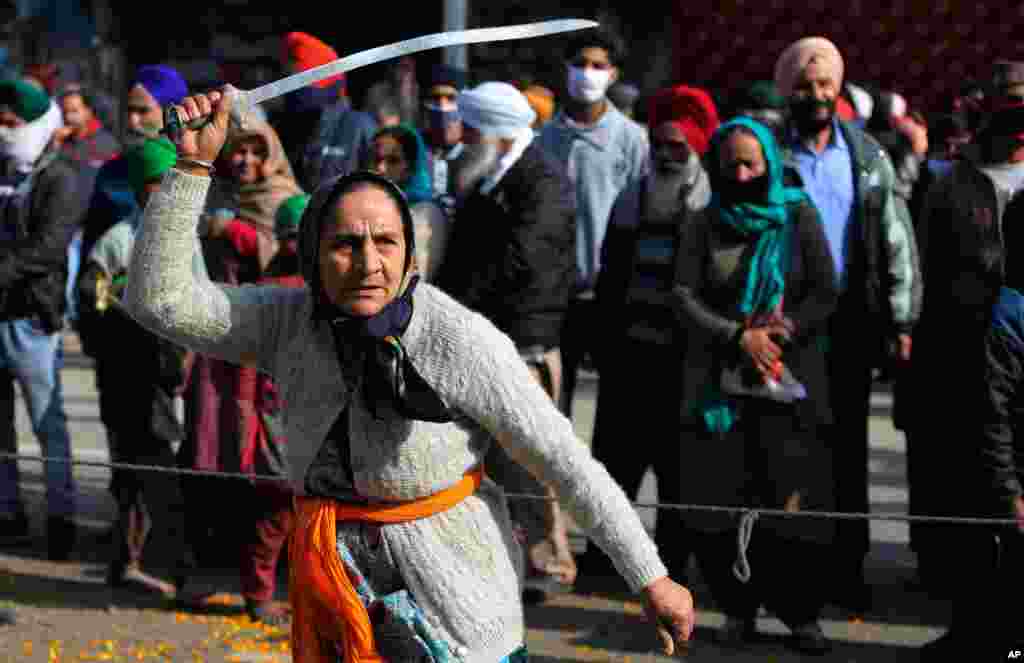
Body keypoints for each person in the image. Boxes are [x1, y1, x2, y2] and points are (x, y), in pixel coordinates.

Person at [126, 86, 695, 663]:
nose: (369, 264)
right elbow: (160, 302)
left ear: (410, 253)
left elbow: (564, 460)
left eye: (386, 242)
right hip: (336, 595)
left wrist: (650, 577)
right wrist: (192, 166)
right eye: (346, 244)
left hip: (458, 611)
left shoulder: (457, 337)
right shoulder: (288, 320)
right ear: (312, 256)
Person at [673, 117, 838, 654]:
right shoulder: (703, 222)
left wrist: (782, 333)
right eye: (731, 165)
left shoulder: (797, 215)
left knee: (790, 504)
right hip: (720, 386)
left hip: (787, 384)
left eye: (752, 163)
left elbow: (824, 291)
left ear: (768, 162)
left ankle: (800, 615)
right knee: (724, 503)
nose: (742, 174)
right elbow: (684, 294)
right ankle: (737, 610)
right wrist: (737, 337)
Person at [774, 37, 922, 612]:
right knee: (787, 449)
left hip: (851, 325)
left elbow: (896, 240)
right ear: (790, 93)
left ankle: (846, 568)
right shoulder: (771, 156)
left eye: (825, 87)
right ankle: (787, 571)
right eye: (806, 88)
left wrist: (901, 317)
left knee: (846, 452)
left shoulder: (867, 157)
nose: (816, 96)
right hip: (786, 323)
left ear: (839, 91)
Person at [434, 81, 578, 601]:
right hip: (480, 338)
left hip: (523, 342)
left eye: (470, 127)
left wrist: (456, 305)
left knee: (529, 463)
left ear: (493, 131)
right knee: (484, 462)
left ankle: (549, 563)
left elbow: (523, 262)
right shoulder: (487, 175)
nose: (462, 135)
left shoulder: (543, 180)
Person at [579, 85, 716, 586]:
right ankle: (601, 565)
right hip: (628, 355)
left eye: (676, 146)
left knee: (678, 470)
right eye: (658, 145)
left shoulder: (709, 199)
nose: (665, 154)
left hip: (682, 360)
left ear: (696, 147)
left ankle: (671, 568)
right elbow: (612, 273)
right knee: (614, 468)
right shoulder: (631, 196)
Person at [907, 63, 1024, 646]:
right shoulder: (952, 183)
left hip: (1020, 364)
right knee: (969, 503)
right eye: (1008, 103)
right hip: (961, 363)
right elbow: (927, 276)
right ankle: (970, 629)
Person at [176, 120, 300, 596]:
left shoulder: (284, 199)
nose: (245, 160)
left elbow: (293, 261)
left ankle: (269, 576)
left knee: (269, 464)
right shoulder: (215, 196)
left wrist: (243, 236)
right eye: (238, 152)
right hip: (217, 342)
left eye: (254, 151)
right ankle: (216, 563)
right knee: (215, 446)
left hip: (263, 352)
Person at [75, 136, 190, 596]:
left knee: (163, 468)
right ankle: (136, 562)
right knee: (139, 470)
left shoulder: (183, 236)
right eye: (156, 184)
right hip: (130, 373)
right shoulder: (121, 237)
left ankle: (161, 562)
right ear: (141, 189)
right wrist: (123, 310)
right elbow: (91, 294)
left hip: (171, 370)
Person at [537, 26, 649, 418]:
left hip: (611, 293)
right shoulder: (544, 139)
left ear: (613, 74)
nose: (588, 73)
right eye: (580, 64)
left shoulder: (632, 140)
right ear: (565, 70)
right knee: (552, 402)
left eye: (597, 66)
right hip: (556, 295)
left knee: (617, 405)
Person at [0, 79, 80, 559]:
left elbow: (48, 249)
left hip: (31, 319)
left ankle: (61, 517)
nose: (3, 130)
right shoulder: (6, 168)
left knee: (48, 423)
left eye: (10, 123)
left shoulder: (60, 177)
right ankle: (8, 510)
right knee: (0, 427)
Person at [237, 192, 311, 625]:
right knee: (277, 515)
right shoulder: (272, 293)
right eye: (288, 238)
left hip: (309, 420)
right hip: (278, 419)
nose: (291, 247)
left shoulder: (327, 290)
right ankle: (260, 595)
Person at [273, 32, 378, 192]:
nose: (298, 92)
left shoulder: (360, 127)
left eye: (304, 82)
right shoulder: (284, 127)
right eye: (291, 80)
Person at [368, 124, 448, 281]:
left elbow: (416, 280)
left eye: (393, 161)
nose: (381, 168)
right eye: (376, 159)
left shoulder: (424, 213)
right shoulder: (368, 204)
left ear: (411, 166)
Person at [421, 64, 467, 205]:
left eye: (451, 98)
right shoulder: (413, 149)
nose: (442, 106)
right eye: (435, 98)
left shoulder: (473, 151)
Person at [364, 56, 420, 127]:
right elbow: (388, 125)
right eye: (404, 67)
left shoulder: (415, 90)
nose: (407, 73)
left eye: (411, 69)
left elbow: (411, 127)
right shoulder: (377, 90)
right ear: (392, 68)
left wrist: (405, 97)